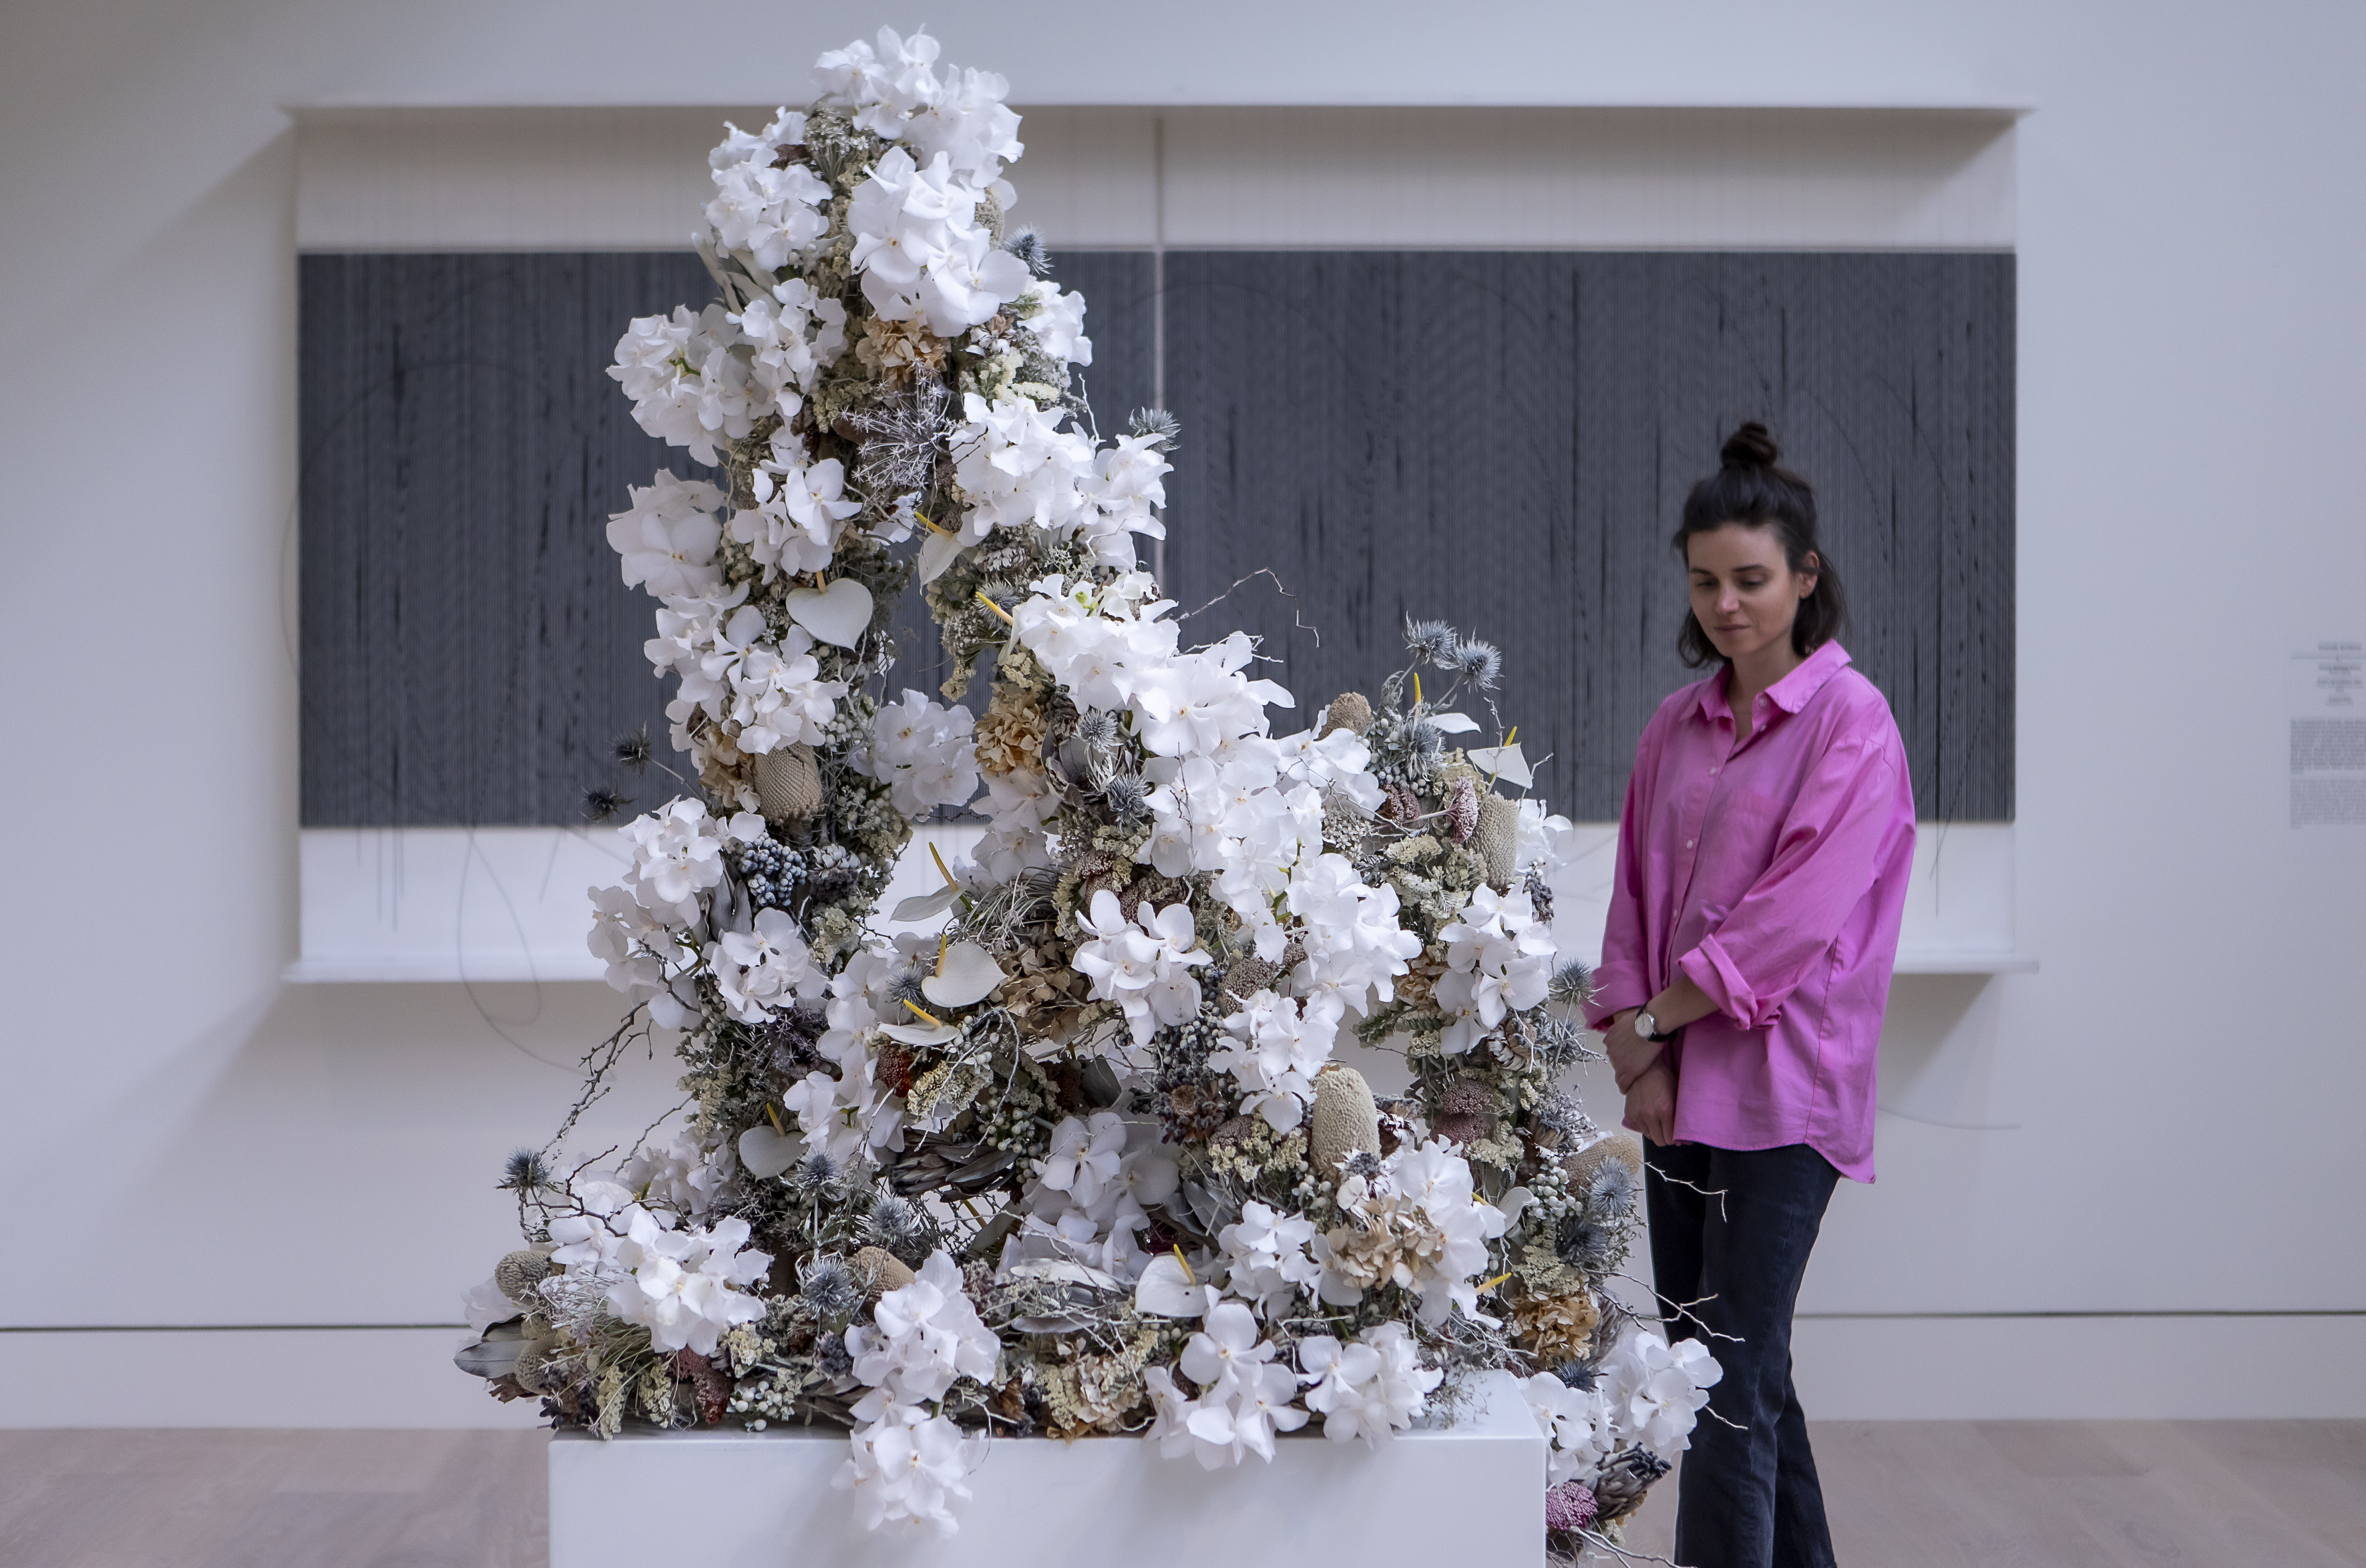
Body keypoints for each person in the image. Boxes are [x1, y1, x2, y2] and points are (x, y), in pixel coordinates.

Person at [1587, 423, 1915, 1568]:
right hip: (1677, 1084)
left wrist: (1654, 1023)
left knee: (1721, 1379)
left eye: (1753, 580)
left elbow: (1791, 918)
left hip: (1785, 1093)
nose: (1727, 604)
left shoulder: (1851, 721)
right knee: (1723, 1363)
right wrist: (1641, 1056)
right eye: (1706, 581)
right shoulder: (1675, 728)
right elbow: (1634, 893)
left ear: (1805, 578)